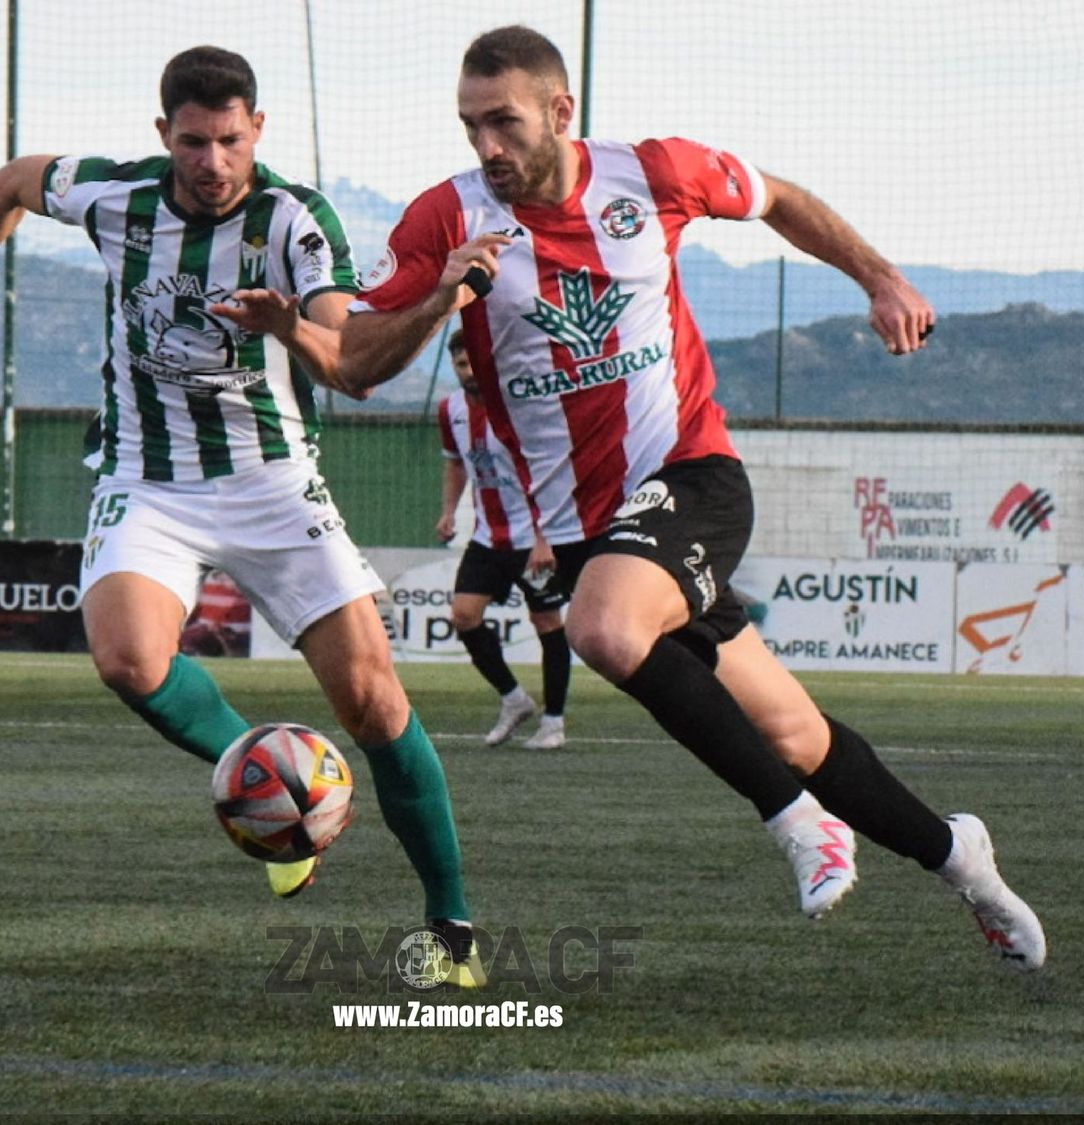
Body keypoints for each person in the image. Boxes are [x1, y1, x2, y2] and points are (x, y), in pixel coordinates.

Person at [335, 26, 1045, 970]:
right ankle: (964, 859)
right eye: (470, 127)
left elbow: (781, 199)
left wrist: (880, 277)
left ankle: (801, 827)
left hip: (692, 475)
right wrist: (439, 301)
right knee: (792, 732)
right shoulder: (445, 219)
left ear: (560, 110)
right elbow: (354, 364)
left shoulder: (654, 173)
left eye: (503, 122)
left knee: (602, 630)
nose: (487, 147)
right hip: (596, 532)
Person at [0, 46, 483, 985]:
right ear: (163, 136)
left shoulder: (295, 220)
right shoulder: (115, 197)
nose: (213, 161)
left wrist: (286, 327)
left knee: (375, 701)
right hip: (148, 477)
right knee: (128, 659)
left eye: (230, 140)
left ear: (256, 130)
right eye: (193, 141)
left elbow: (346, 356)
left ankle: (453, 928)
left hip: (270, 478)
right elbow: (13, 182)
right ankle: (267, 771)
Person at [436, 328, 569, 749]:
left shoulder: (518, 406)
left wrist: (547, 538)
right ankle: (514, 699)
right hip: (487, 538)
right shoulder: (450, 409)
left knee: (547, 622)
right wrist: (447, 512)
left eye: (473, 360)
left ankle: (554, 722)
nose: (467, 369)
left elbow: (547, 471)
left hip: (532, 537)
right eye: (460, 363)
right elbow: (457, 464)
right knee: (464, 615)